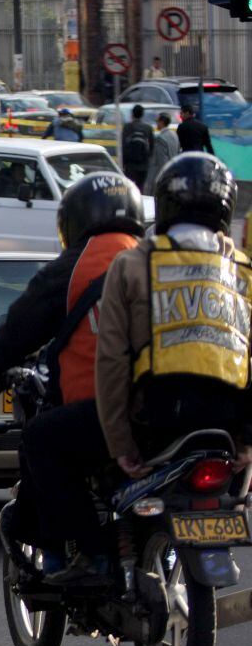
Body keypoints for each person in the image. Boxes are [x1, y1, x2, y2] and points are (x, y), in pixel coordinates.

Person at [0, 173, 145, 583]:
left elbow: (19, 329)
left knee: (41, 441)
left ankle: (91, 554)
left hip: (101, 410)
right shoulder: (154, 258)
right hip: (165, 411)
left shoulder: (75, 267)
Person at [96, 153, 252, 486]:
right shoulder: (243, 268)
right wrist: (248, 440)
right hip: (230, 423)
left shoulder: (131, 264)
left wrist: (121, 446)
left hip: (155, 420)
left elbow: (111, 361)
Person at [144, 113, 179, 194]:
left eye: (157, 121)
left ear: (162, 122)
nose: (156, 123)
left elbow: (161, 161)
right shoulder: (174, 135)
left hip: (162, 175)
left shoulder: (160, 138)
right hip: (173, 173)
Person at [121, 104, 154, 191]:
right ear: (142, 114)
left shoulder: (127, 127)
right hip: (143, 165)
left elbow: (123, 146)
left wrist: (123, 163)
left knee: (129, 189)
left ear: (132, 114)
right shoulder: (148, 128)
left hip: (130, 165)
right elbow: (151, 147)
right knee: (140, 188)